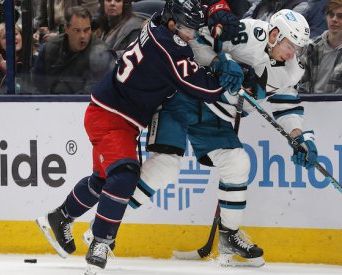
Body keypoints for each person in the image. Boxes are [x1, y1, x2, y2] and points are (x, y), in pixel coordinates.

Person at [35, 0, 243, 273]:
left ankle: (60, 217)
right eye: (185, 28)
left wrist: (217, 59)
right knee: (125, 175)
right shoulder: (168, 48)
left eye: (194, 29)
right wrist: (227, 77)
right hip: (111, 117)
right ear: (171, 23)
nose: (190, 35)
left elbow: (188, 48)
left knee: (103, 180)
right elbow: (201, 87)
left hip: (114, 114)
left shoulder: (157, 23)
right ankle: (100, 242)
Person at [130, 9, 317, 267]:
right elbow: (193, 38)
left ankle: (229, 236)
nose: (292, 53)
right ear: (274, 34)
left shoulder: (291, 69)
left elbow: (287, 105)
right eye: (289, 45)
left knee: (237, 163)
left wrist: (298, 136)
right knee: (164, 167)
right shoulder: (246, 33)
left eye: (297, 48)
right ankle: (105, 222)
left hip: (216, 115)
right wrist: (219, 61)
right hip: (183, 97)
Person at [31, 6, 115, 94]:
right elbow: (37, 87)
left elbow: (99, 92)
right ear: (66, 29)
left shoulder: (102, 54)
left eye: (86, 30)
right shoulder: (49, 49)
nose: (83, 36)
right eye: (77, 30)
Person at [298, 0, 342, 93]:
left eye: (340, 16)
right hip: (309, 105)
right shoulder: (311, 46)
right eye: (331, 14)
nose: (334, 19)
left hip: (339, 106)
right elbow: (301, 85)